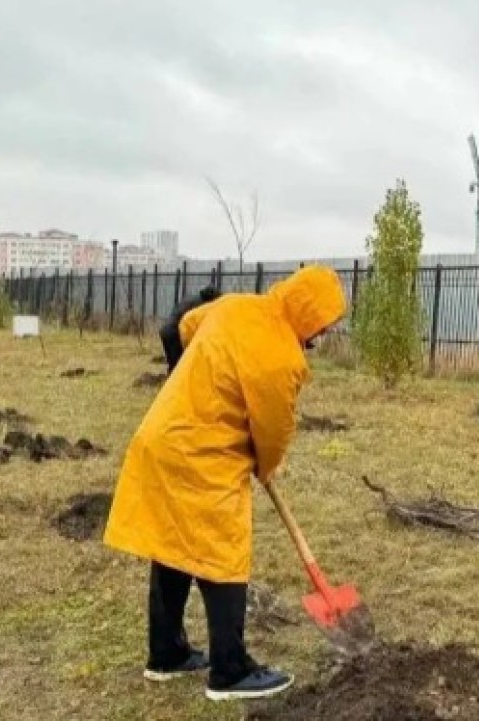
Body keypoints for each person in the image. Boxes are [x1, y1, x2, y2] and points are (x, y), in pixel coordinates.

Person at [103, 264, 346, 702]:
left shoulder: (235, 306)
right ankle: (230, 671)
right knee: (224, 554)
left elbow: (181, 328)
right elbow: (271, 434)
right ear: (310, 315)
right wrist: (267, 467)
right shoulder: (282, 359)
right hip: (203, 457)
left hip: (162, 435)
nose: (323, 335)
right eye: (325, 325)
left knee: (174, 543)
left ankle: (167, 654)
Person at [158, 285, 222, 373]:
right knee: (180, 365)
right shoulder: (200, 305)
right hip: (174, 333)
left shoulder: (190, 299)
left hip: (165, 331)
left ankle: (170, 382)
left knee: (173, 363)